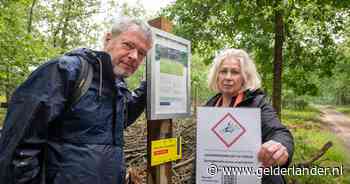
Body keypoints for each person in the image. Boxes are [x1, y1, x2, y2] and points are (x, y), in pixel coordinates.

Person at [0, 16, 153, 184]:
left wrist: (148, 87)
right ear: (108, 39)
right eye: (128, 45)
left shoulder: (117, 86)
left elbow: (121, 117)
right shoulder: (66, 72)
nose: (134, 56)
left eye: (142, 53)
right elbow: (17, 149)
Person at [205, 48, 294, 184]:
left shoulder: (257, 103)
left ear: (244, 77)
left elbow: (279, 131)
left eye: (235, 72)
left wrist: (280, 146)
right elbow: (202, 154)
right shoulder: (209, 107)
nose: (228, 77)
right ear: (217, 75)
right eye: (223, 71)